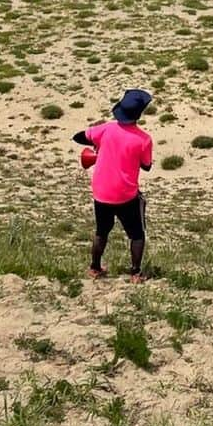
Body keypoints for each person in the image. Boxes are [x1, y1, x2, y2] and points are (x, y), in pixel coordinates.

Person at [73, 88, 153, 281]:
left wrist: (99, 146)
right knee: (136, 235)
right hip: (126, 195)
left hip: (101, 192)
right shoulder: (144, 140)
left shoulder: (106, 129)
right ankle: (135, 272)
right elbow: (147, 166)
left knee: (101, 232)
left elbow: (78, 137)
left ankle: (94, 268)